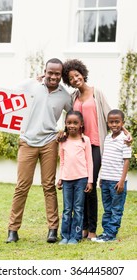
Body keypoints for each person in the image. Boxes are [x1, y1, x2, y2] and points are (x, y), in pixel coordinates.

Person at [61, 59, 131, 240]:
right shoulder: (72, 97)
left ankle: (91, 229)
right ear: (69, 82)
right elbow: (69, 120)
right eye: (71, 78)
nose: (75, 79)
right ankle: (82, 227)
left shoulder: (96, 93)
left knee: (89, 187)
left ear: (83, 74)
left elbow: (111, 115)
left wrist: (126, 131)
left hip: (95, 145)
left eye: (77, 75)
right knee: (81, 186)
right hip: (78, 145)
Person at [6, 58, 72, 243]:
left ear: (61, 75)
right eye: (50, 72)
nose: (53, 76)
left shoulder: (65, 96)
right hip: (27, 141)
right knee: (22, 186)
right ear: (45, 71)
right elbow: (2, 97)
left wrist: (64, 131)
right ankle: (13, 229)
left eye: (57, 73)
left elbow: (74, 116)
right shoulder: (30, 85)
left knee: (49, 186)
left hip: (49, 142)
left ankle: (52, 229)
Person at [92, 109, 132, 242]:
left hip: (117, 182)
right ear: (107, 123)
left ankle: (111, 234)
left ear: (122, 123)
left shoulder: (125, 140)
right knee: (107, 208)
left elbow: (127, 161)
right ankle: (105, 232)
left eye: (117, 122)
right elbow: (106, 160)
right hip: (106, 180)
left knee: (116, 209)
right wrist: (102, 178)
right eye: (111, 122)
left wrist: (121, 181)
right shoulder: (107, 138)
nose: (114, 125)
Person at [57, 110, 93, 245]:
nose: (72, 125)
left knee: (78, 209)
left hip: (81, 179)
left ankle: (75, 236)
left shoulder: (85, 140)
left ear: (81, 124)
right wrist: (60, 178)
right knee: (67, 209)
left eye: (75, 123)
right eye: (69, 123)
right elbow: (62, 161)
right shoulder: (63, 141)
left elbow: (90, 161)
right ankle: (65, 236)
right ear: (65, 124)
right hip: (66, 180)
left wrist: (90, 180)